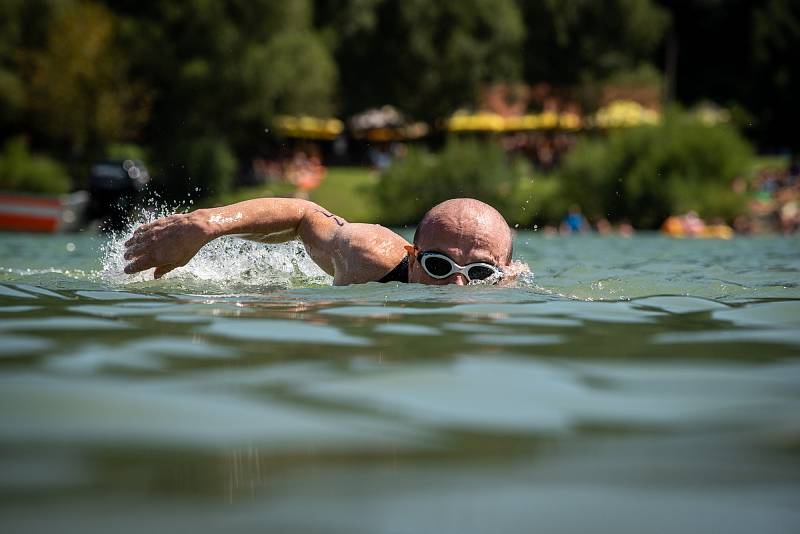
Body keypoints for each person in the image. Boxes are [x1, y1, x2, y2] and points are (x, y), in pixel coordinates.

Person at [123, 197, 516, 286]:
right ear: (412, 260)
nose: (457, 286)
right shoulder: (369, 257)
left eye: (479, 272)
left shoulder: (505, 297)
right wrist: (206, 225)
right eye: (439, 266)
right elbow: (304, 215)